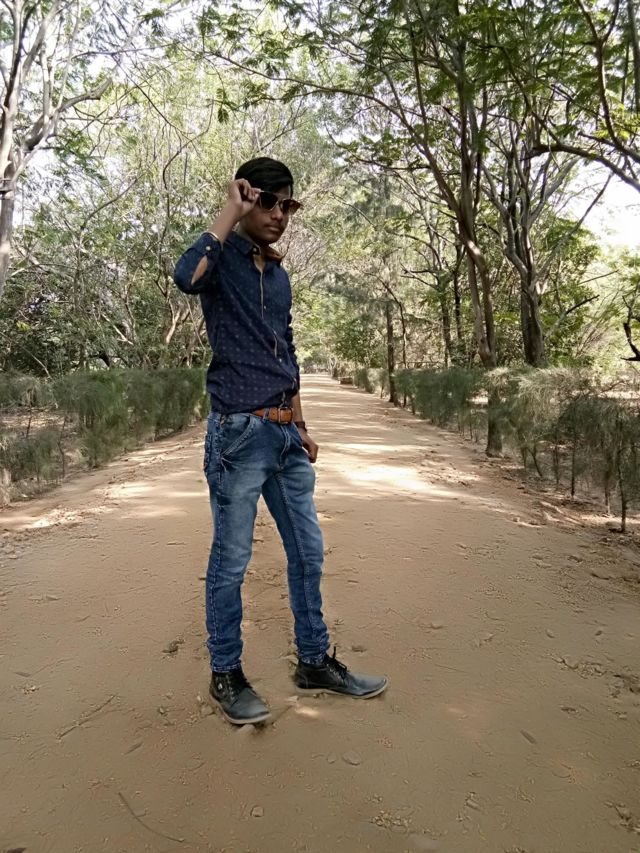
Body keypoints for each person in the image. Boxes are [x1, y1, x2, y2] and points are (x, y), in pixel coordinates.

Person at [173, 156, 387, 725]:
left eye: (286, 204)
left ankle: (314, 660)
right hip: (238, 434)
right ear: (245, 199)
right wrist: (228, 212)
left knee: (308, 551)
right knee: (232, 560)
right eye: (266, 201)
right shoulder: (220, 261)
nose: (278, 214)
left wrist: (301, 422)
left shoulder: (280, 276)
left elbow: (285, 351)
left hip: (284, 434)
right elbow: (185, 276)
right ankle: (226, 672)